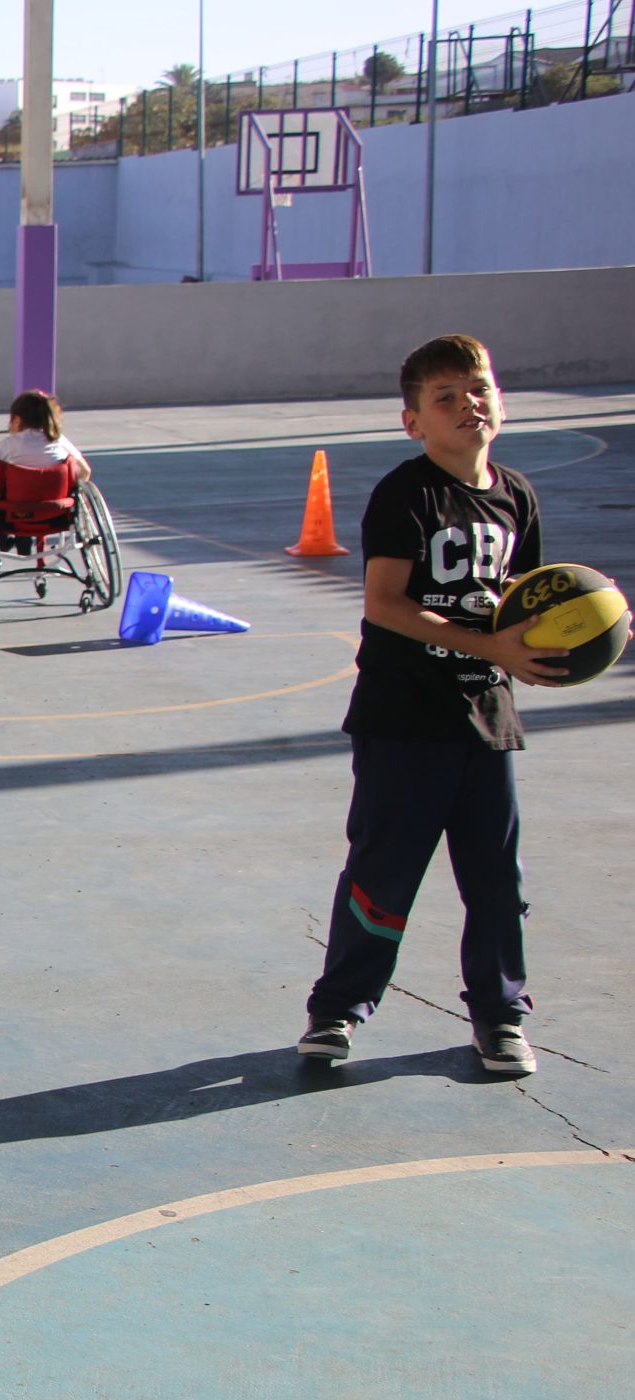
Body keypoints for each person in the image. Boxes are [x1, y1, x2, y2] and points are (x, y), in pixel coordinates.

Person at [297, 333, 569, 1076]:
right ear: (413, 420)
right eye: (444, 397)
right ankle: (338, 1010)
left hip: (486, 719)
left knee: (494, 878)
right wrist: (497, 650)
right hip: (403, 717)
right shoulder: (407, 493)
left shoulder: (517, 496)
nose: (467, 404)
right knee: (382, 873)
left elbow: (531, 608)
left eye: (477, 388)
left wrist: (584, 633)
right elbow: (385, 604)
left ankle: (500, 1013)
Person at [0, 388, 92, 490]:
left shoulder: (10, 444)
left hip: (16, 511)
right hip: (57, 511)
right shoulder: (60, 441)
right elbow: (85, 471)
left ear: (17, 421)